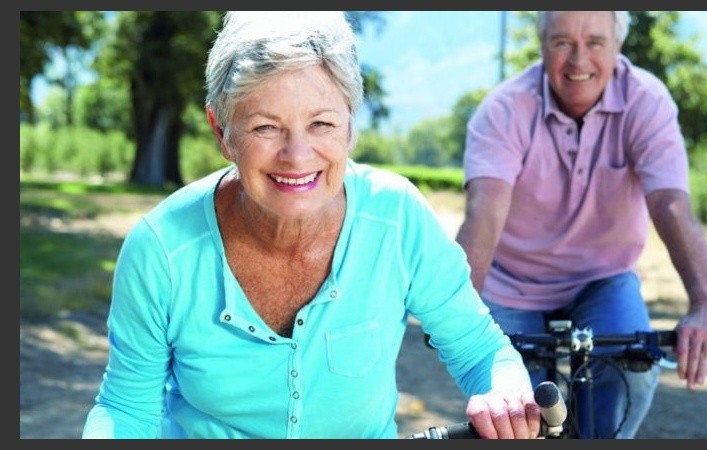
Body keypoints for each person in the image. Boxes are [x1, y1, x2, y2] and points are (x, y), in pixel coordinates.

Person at [81, 11, 543, 439]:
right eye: (266, 127)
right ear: (222, 132)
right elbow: (127, 408)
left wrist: (504, 390)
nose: (297, 156)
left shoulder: (397, 217)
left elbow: (483, 350)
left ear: (349, 127)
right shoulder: (160, 250)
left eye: (321, 123)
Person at [455, 11, 707, 439]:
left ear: (618, 46)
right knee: (511, 407)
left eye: (595, 43)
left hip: (602, 278)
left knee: (633, 371)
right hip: (513, 282)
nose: (578, 60)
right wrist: (459, 310)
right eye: (562, 42)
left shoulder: (647, 100)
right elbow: (485, 210)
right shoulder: (505, 108)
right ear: (543, 45)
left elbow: (670, 203)